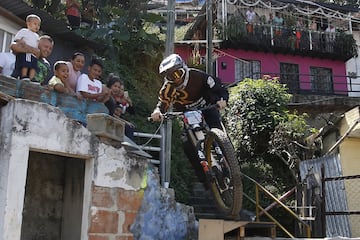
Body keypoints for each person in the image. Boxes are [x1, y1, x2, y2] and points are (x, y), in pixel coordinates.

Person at [150, 54, 228, 183]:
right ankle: (206, 181)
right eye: (171, 77)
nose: (176, 80)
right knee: (188, 146)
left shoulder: (198, 76)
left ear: (185, 68)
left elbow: (219, 87)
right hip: (186, 113)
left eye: (178, 74)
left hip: (207, 106)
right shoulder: (167, 89)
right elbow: (162, 104)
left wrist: (223, 100)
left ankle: (228, 161)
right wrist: (157, 112)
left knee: (218, 130)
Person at [105, 74, 135, 139]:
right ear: (110, 86)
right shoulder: (107, 95)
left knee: (129, 127)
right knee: (128, 127)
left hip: (112, 120)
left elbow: (132, 112)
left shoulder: (120, 100)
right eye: (115, 86)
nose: (118, 89)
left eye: (119, 88)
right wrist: (124, 122)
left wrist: (130, 103)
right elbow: (110, 114)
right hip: (106, 121)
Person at [13, 14, 41, 81]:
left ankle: (32, 78)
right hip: (25, 51)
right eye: (35, 24)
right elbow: (17, 39)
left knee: (33, 66)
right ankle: (24, 75)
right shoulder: (24, 31)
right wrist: (21, 42)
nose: (37, 26)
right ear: (28, 24)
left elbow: (37, 44)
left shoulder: (37, 36)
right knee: (25, 64)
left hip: (33, 53)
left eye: (38, 25)